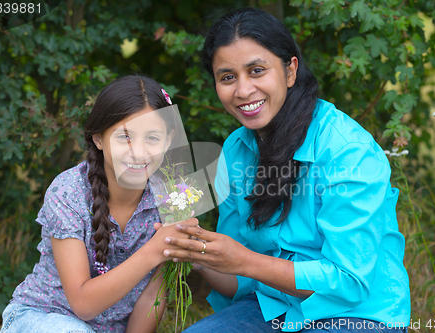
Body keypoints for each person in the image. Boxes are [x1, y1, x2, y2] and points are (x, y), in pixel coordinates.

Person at [162, 8, 411, 333]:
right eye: (227, 77)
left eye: (257, 70)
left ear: (290, 70)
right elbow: (243, 283)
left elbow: (349, 282)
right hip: (272, 310)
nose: (243, 90)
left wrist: (244, 261)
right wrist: (197, 252)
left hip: (359, 316)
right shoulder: (236, 150)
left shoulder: (347, 151)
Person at [0, 75, 198, 333]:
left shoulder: (174, 198)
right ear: (99, 138)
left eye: (152, 138)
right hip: (43, 319)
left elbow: (152, 297)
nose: (138, 152)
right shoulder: (69, 191)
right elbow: (83, 304)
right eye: (124, 137)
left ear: (168, 140)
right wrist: (156, 249)